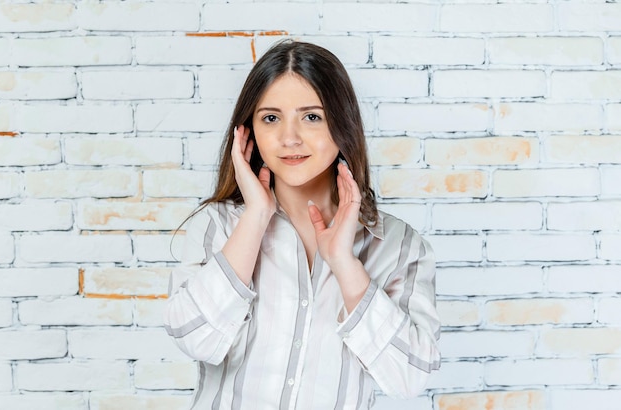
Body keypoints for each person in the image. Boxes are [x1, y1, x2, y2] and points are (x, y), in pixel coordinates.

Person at [164, 40, 440, 409]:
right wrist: (257, 216)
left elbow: (410, 376)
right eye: (271, 118)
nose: (289, 138)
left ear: (342, 123)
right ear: (247, 132)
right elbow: (192, 337)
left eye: (312, 116)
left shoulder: (399, 246)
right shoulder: (218, 226)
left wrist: (344, 263)